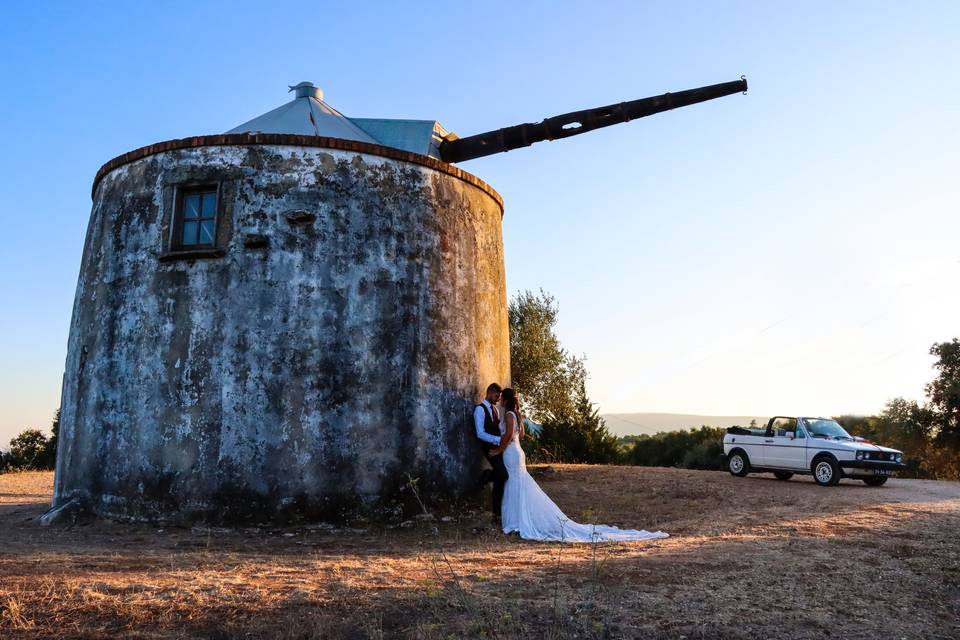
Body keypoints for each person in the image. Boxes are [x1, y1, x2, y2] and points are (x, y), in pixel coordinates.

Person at [490, 388, 668, 543]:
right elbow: (520, 436)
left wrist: (499, 450)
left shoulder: (509, 415)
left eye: (501, 398)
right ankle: (519, 519)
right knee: (518, 483)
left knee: (514, 483)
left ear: (505, 399)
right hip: (517, 451)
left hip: (511, 452)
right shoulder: (517, 415)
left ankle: (516, 521)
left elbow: (508, 437)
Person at [473, 382, 507, 522]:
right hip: (489, 448)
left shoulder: (496, 410)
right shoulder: (479, 410)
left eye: (499, 397)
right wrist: (498, 439)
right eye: (496, 396)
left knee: (501, 478)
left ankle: (496, 514)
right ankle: (487, 475)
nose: (498, 399)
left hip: (498, 447)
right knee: (502, 475)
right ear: (489, 392)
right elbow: (480, 433)